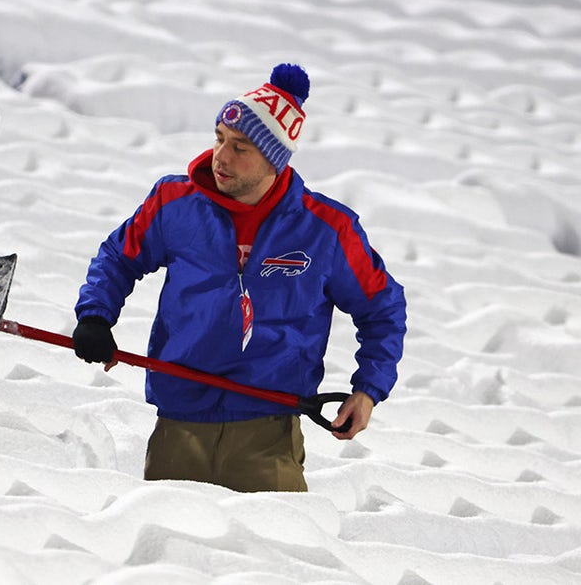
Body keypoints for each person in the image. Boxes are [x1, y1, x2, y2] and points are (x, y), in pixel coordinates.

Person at [72, 63, 407, 492]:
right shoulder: (175, 204)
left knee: (275, 554)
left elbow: (382, 306)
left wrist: (368, 389)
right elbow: (119, 257)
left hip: (268, 433)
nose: (221, 156)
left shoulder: (326, 230)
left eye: (241, 147)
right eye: (219, 139)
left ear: (274, 159)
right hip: (180, 424)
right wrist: (96, 316)